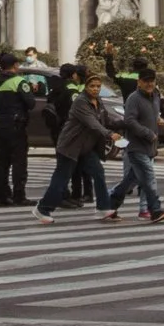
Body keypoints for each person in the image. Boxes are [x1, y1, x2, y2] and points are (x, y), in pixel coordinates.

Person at [38, 72, 118, 217]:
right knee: (61, 180)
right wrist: (109, 134)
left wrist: (129, 124)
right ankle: (42, 209)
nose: (95, 89)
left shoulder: (98, 101)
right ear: (85, 87)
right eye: (92, 86)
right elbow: (92, 123)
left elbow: (106, 119)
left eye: (98, 86)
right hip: (70, 147)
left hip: (85, 148)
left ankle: (103, 208)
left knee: (98, 172)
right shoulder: (81, 101)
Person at [109, 66, 164, 223]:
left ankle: (109, 204)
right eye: (146, 81)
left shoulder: (155, 96)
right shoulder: (134, 98)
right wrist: (147, 133)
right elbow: (130, 121)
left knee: (130, 181)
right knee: (149, 178)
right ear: (139, 82)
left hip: (149, 147)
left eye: (152, 81)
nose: (149, 84)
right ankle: (155, 210)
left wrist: (158, 121)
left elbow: (153, 115)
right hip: (136, 146)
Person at [0, 45, 36, 207]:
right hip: (16, 126)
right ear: (14, 65)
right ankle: (19, 195)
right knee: (19, 162)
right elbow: (31, 103)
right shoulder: (18, 81)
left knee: (1, 163)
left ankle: (0, 196)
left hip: (0, 124)